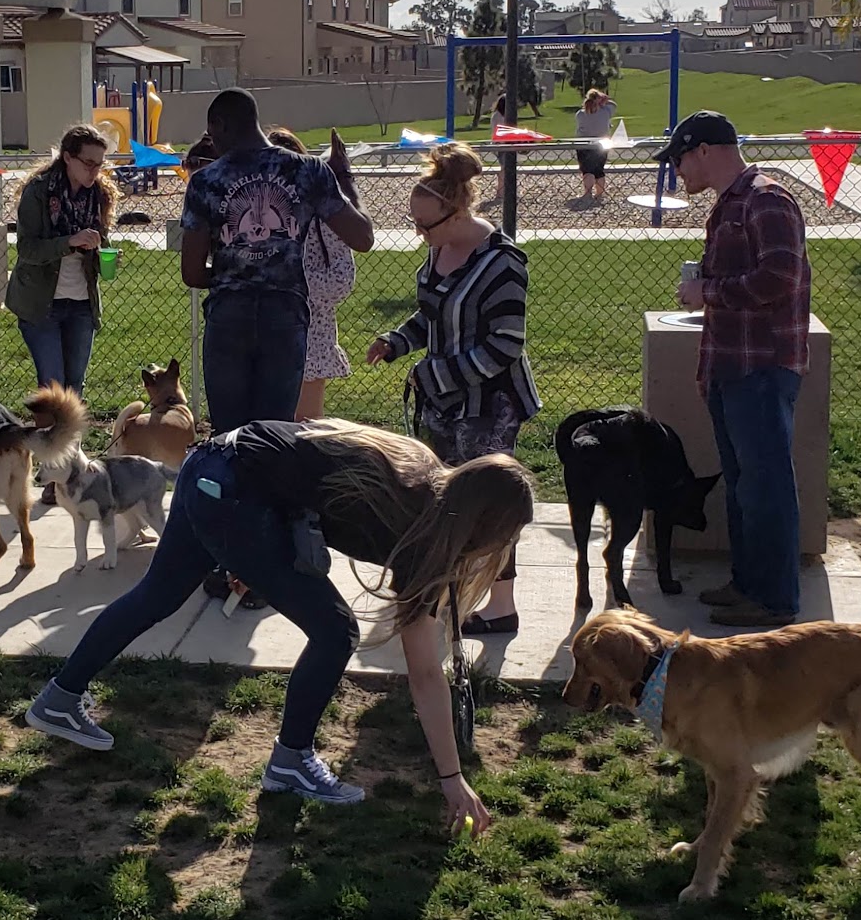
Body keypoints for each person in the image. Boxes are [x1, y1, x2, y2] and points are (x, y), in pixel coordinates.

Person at [26, 417, 522, 832]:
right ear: (483, 525)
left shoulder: (419, 466)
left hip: (214, 462)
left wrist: (253, 548)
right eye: (508, 534)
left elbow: (304, 457)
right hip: (235, 490)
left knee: (157, 595)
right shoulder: (420, 532)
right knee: (336, 631)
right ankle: (291, 762)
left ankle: (59, 698)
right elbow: (425, 673)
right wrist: (452, 778)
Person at [367, 145, 539, 635]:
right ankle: (452, 591)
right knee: (444, 502)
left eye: (425, 225)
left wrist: (435, 375)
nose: (419, 234)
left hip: (490, 406)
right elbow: (433, 315)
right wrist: (396, 342)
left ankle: (501, 606)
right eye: (414, 223)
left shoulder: (503, 262)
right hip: (443, 404)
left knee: (491, 506)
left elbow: (505, 345)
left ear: (457, 210)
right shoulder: (439, 248)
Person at [666, 110, 812, 629]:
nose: (678, 171)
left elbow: (779, 278)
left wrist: (706, 290)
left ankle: (775, 598)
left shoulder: (766, 199)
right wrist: (708, 368)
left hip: (763, 368)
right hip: (731, 369)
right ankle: (748, 583)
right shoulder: (731, 203)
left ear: (704, 150)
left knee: (766, 486)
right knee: (744, 485)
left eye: (679, 159)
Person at [181, 90, 374, 430]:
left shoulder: (205, 181)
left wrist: (234, 272)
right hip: (285, 314)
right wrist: (344, 177)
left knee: (230, 435)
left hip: (229, 315)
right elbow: (363, 238)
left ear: (220, 124)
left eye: (213, 136)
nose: (214, 146)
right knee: (275, 435)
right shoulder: (308, 171)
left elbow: (191, 273)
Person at [5, 125, 115, 399]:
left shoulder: (98, 195)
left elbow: (100, 241)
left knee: (74, 386)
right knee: (53, 389)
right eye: (88, 163)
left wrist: (104, 254)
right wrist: (70, 242)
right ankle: (51, 429)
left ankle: (70, 431)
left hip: (81, 304)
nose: (94, 171)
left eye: (100, 164)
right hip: (41, 304)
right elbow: (27, 249)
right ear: (67, 157)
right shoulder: (39, 192)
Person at [267, 128, 357, 420]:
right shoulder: (256, 216)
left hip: (309, 339)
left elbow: (342, 279)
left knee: (304, 427)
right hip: (261, 336)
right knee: (264, 428)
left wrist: (291, 284)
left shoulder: (322, 216)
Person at [573, 88, 616, 201]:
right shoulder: (606, 112)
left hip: (583, 145)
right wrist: (604, 101)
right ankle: (599, 193)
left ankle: (588, 192)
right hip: (602, 144)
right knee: (599, 170)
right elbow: (613, 105)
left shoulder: (580, 114)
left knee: (587, 169)